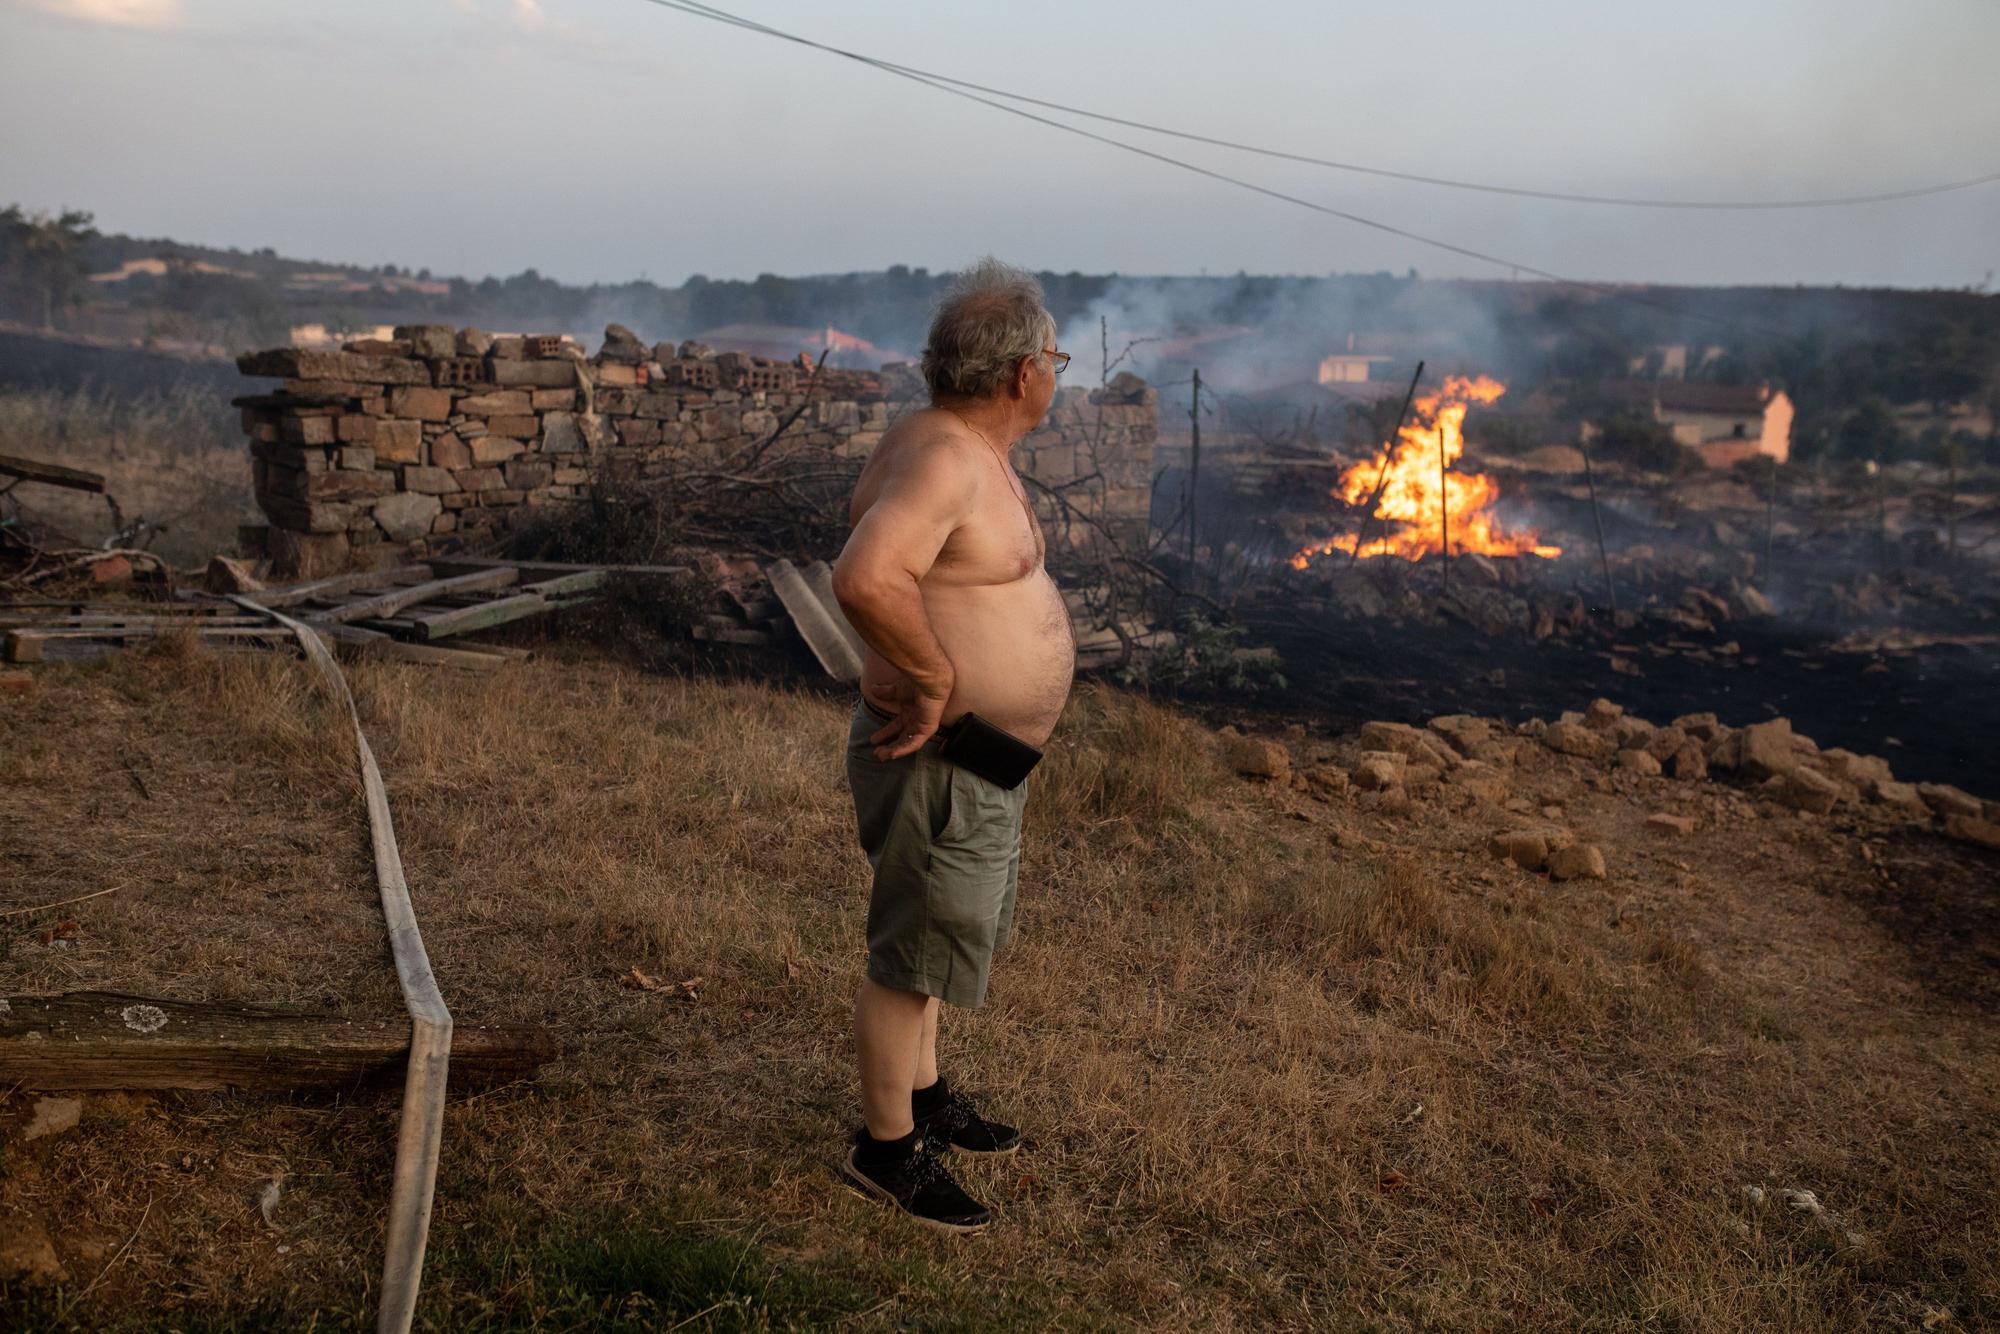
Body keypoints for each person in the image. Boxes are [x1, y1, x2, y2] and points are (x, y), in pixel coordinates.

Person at [829, 258, 1078, 1232]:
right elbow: (865, 576)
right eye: (1054, 358)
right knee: (908, 958)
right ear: (1022, 373)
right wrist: (932, 676)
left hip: (976, 761)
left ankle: (924, 1097)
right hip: (940, 756)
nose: (1054, 373)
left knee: (934, 943)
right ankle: (885, 1149)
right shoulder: (943, 457)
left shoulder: (954, 442)